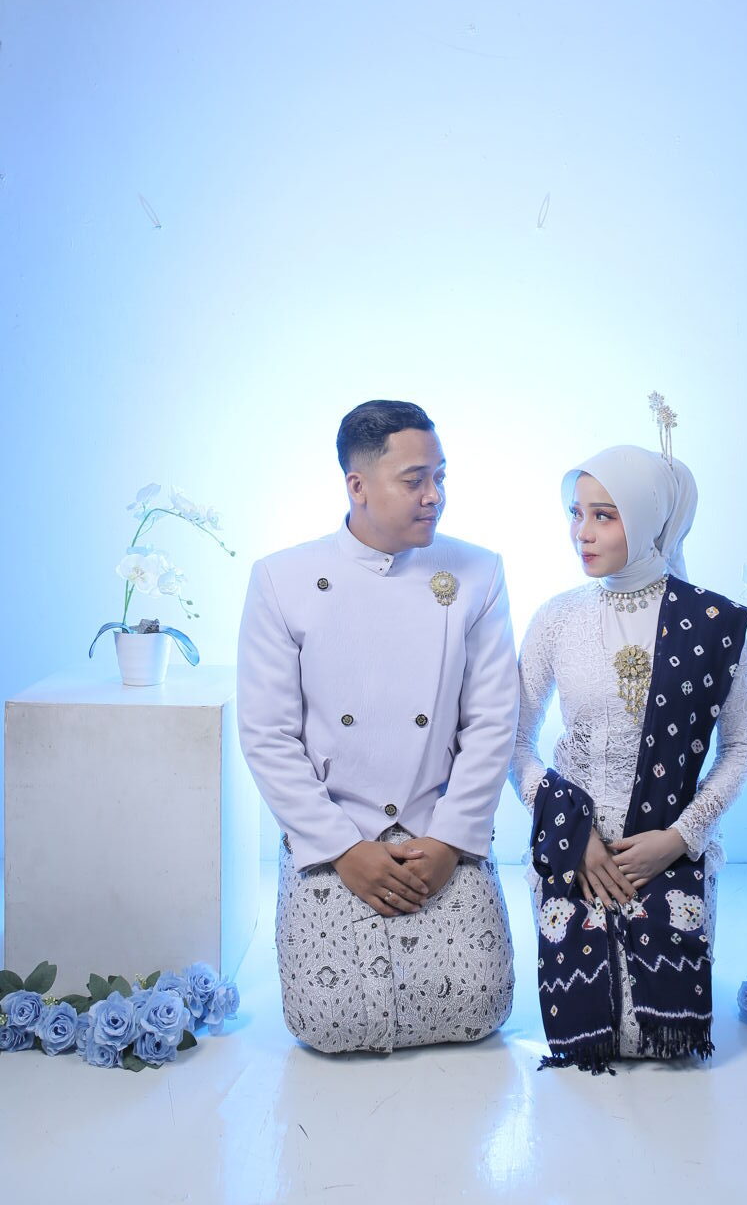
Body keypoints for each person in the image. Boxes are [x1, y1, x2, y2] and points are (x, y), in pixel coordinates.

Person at [237, 399, 518, 1054]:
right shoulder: (282, 579)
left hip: (436, 820)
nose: (434, 496)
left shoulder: (478, 572)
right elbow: (267, 734)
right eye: (414, 480)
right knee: (327, 1022)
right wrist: (343, 849)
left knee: (478, 1004)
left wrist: (448, 839)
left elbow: (492, 721)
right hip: (333, 824)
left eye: (439, 477)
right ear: (357, 486)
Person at [511, 442, 747, 1072]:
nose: (581, 533)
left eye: (604, 515)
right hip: (576, 847)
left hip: (667, 845)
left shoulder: (712, 623)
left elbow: (741, 747)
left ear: (648, 521)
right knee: (598, 1024)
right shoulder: (557, 619)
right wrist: (572, 836)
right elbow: (512, 741)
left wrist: (679, 839)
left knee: (652, 1036)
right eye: (576, 513)